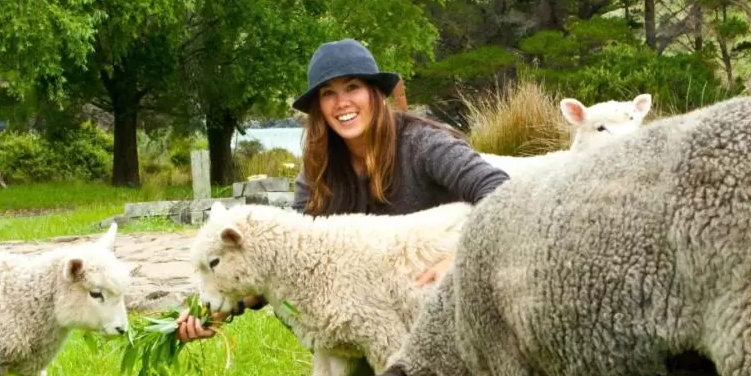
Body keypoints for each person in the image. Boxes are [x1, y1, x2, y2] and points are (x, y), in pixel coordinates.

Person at [176, 37, 509, 342]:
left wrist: (458, 261)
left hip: (448, 300)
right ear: (319, 106)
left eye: (353, 87)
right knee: (293, 301)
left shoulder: (425, 145)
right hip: (377, 316)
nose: (341, 102)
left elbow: (503, 193)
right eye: (328, 93)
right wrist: (223, 307)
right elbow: (285, 261)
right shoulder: (319, 169)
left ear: (374, 94)